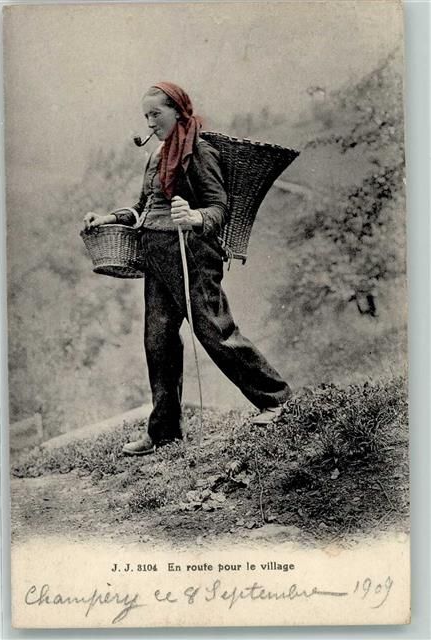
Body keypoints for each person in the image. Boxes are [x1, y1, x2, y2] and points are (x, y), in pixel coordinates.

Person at [84, 82, 291, 456]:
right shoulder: (156, 156)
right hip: (157, 255)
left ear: (178, 111)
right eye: (146, 116)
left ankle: (277, 400)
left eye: (156, 114)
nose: (150, 123)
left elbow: (218, 207)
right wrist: (108, 218)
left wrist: (195, 216)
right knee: (158, 342)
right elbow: (142, 207)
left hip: (192, 255)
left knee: (216, 331)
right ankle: (164, 431)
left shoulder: (199, 152)